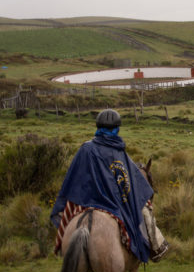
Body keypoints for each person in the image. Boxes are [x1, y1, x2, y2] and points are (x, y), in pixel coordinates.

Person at [50, 109, 169, 263]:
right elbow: (133, 180)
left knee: (66, 211)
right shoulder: (119, 152)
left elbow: (73, 178)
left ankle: (63, 244)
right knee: (145, 210)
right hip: (114, 203)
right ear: (117, 128)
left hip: (86, 198)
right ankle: (156, 247)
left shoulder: (86, 148)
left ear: (98, 127)